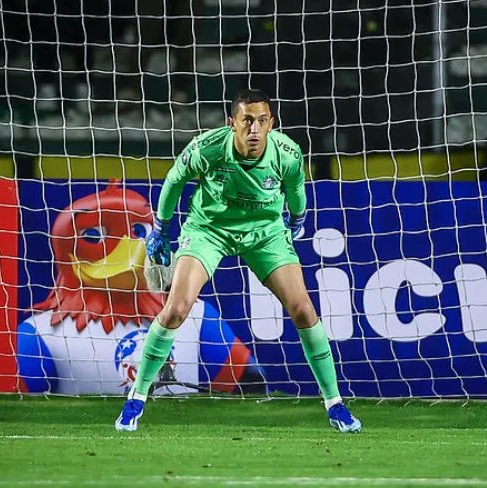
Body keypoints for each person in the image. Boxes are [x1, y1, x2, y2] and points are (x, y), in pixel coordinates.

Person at [114, 89, 362, 433]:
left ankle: (335, 404)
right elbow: (174, 180)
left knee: (303, 309)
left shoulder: (287, 153)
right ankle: (136, 399)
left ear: (271, 123)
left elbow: (296, 190)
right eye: (247, 120)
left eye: (262, 121)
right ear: (233, 124)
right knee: (176, 310)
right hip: (209, 230)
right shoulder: (208, 148)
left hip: (265, 233)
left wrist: (297, 220)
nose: (255, 129)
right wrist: (161, 229)